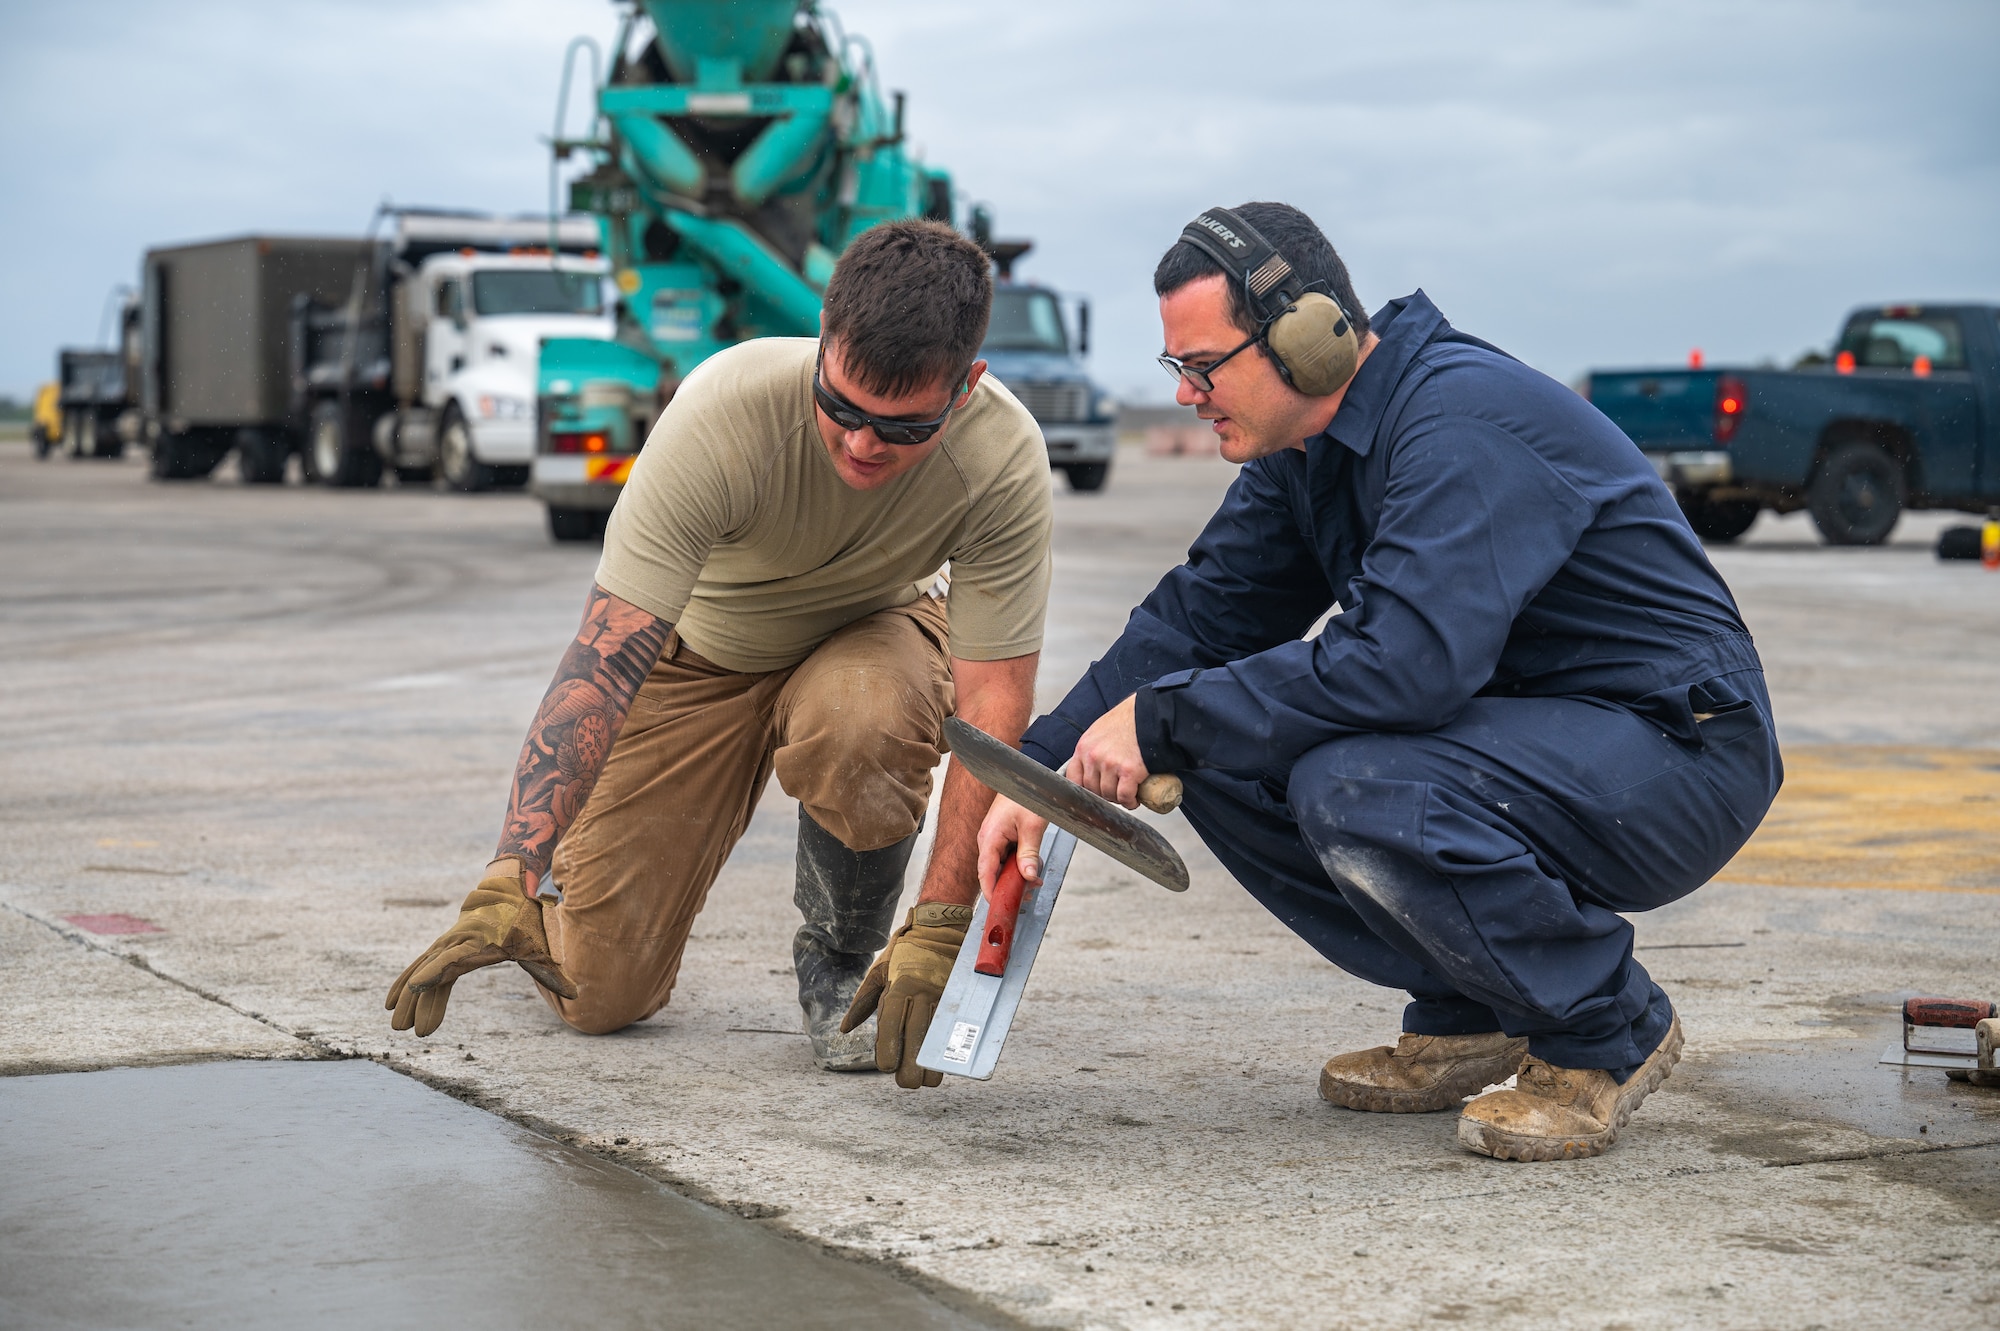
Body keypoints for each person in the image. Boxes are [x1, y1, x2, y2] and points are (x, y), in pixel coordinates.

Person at [971, 202, 1782, 1160]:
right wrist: (1042, 770)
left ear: (1309, 338)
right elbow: (1197, 624)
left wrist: (1164, 716)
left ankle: (1606, 1029)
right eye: (1175, 371)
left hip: (1674, 750)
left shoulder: (1461, 422)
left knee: (1350, 783)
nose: (1187, 393)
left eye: (1203, 366)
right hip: (1529, 737)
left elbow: (1404, 667)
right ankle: (1475, 1008)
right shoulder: (1308, 453)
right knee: (1215, 750)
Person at [386, 220, 1052, 1082]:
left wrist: (941, 921)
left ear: (966, 387)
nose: (860, 443)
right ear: (822, 339)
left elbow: (994, 703)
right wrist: (512, 871)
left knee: (863, 712)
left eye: (899, 427)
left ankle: (843, 956)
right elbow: (607, 654)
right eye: (842, 406)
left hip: (874, 634)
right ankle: (559, 910)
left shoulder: (1002, 457)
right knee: (597, 994)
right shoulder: (726, 410)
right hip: (700, 656)